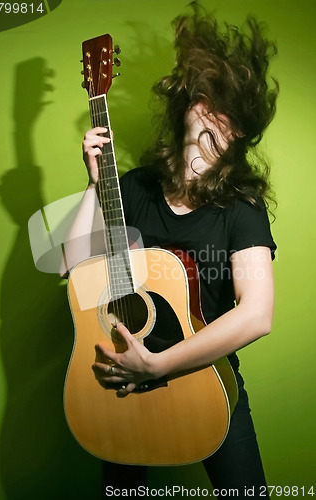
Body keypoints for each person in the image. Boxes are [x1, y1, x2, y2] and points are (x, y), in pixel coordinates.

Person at [76, 4, 279, 499]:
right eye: (207, 98)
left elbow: (257, 314)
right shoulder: (136, 189)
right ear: (186, 103)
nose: (213, 113)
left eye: (228, 110)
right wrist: (92, 183)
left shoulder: (242, 208)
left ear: (241, 134)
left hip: (204, 381)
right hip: (120, 376)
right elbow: (74, 269)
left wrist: (161, 365)